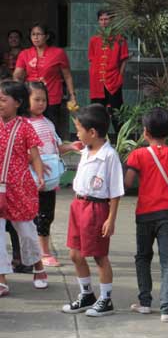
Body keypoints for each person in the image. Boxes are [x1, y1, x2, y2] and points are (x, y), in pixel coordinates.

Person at [125, 107, 168, 322]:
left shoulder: (138, 154)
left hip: (144, 214)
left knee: (142, 257)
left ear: (145, 132)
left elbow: (128, 182)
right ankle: (167, 309)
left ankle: (144, 302)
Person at [61, 103, 124, 317]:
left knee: (99, 256)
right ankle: (87, 294)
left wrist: (111, 219)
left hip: (96, 208)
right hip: (78, 206)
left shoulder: (109, 156)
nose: (77, 133)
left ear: (93, 132)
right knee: (75, 254)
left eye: (79, 129)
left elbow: (115, 191)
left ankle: (106, 299)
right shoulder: (86, 150)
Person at [0, 80, 49, 297]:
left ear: (17, 103)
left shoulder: (25, 127)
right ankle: (1, 278)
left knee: (27, 233)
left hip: (19, 188)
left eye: (3, 99)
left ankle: (38, 267)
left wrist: (39, 175)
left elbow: (35, 155)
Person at [27, 82, 83, 267]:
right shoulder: (23, 124)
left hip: (48, 180)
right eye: (37, 99)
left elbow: (56, 147)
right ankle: (41, 252)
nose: (41, 103)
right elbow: (20, 152)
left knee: (46, 214)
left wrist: (71, 147)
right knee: (34, 216)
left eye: (44, 99)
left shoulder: (48, 123)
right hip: (30, 179)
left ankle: (41, 252)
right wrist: (36, 163)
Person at [13, 23, 77, 137]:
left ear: (46, 36)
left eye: (39, 34)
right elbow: (17, 75)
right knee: (31, 127)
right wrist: (17, 79)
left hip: (52, 96)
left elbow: (67, 76)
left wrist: (72, 96)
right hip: (30, 97)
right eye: (33, 34)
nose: (36, 37)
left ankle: (52, 150)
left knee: (50, 128)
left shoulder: (58, 53)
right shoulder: (24, 54)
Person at [88, 9, 129, 135]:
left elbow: (124, 60)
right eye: (101, 19)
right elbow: (91, 59)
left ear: (112, 20)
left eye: (106, 19)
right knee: (97, 113)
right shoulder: (94, 40)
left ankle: (120, 142)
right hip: (97, 82)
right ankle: (97, 140)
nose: (104, 22)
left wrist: (120, 77)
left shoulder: (120, 39)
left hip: (113, 80)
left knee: (117, 113)